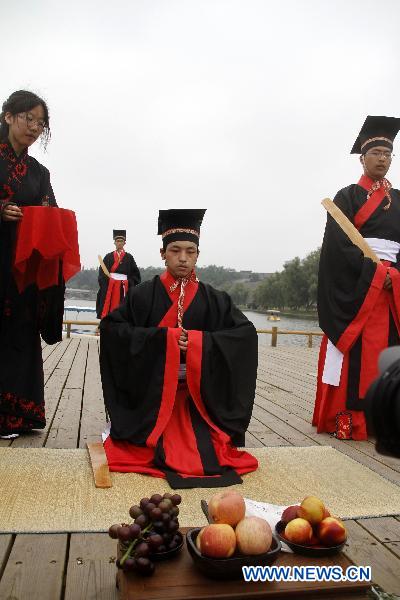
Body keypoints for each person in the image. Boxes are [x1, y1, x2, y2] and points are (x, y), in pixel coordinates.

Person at [100, 209, 258, 488]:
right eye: (175, 250)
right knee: (150, 447)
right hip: (153, 395)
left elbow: (244, 336)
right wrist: (163, 340)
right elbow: (113, 331)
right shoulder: (142, 295)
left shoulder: (216, 299)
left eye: (190, 251)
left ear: (198, 255)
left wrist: (199, 342)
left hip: (200, 397)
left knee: (211, 450)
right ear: (163, 254)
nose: (183, 258)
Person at [313, 115, 400, 440]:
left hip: (394, 293)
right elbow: (338, 248)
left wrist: (395, 275)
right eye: (376, 153)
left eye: (388, 153)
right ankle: (345, 419)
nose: (382, 159)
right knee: (354, 353)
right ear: (362, 158)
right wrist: (377, 274)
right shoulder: (347, 197)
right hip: (361, 291)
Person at [0, 90, 63, 438]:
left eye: (41, 123)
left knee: (19, 336)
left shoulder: (39, 172)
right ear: (8, 116)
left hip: (22, 269)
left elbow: (50, 210)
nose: (35, 128)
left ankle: (17, 415)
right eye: (29, 119)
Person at [96, 230, 141, 319]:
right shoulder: (108, 257)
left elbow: (136, 276)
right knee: (108, 307)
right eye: (117, 241)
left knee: (123, 309)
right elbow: (102, 274)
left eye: (121, 241)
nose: (119, 243)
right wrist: (110, 281)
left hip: (124, 287)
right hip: (110, 286)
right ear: (114, 243)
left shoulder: (129, 258)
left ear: (124, 243)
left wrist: (127, 282)